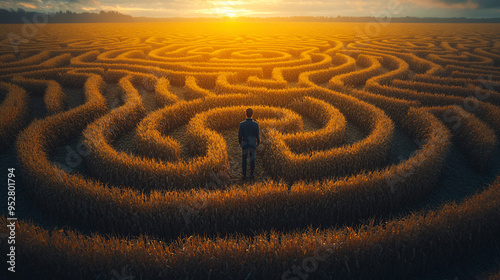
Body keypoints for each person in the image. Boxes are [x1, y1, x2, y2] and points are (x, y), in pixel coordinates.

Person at [238, 108, 260, 179]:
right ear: (252, 114)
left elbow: (239, 135)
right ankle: (252, 174)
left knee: (244, 160)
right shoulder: (256, 124)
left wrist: (240, 143)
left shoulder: (242, 124)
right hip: (252, 144)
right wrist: (258, 143)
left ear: (246, 114)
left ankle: (244, 175)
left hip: (244, 144)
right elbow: (257, 135)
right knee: (252, 159)